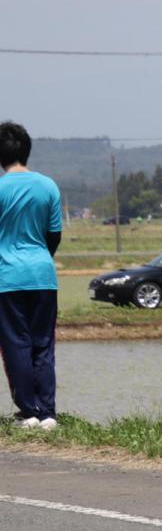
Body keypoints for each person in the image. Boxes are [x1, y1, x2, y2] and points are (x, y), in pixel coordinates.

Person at [0, 122, 62, 430]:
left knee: (16, 345)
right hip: (43, 275)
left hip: (7, 278)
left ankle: (29, 411)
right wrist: (39, 258)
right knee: (43, 344)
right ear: (27, 150)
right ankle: (48, 412)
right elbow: (54, 235)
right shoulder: (48, 186)